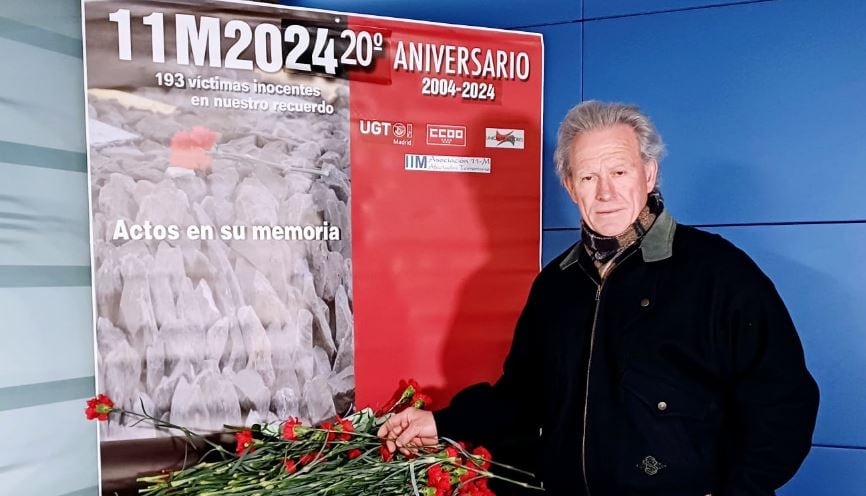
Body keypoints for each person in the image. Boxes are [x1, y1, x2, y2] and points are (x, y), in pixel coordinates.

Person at [377, 101, 819, 496]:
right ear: (570, 186)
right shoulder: (556, 285)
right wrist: (442, 423)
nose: (605, 192)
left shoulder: (720, 274)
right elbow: (522, 398)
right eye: (588, 176)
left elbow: (784, 405)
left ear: (649, 173)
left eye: (619, 172)